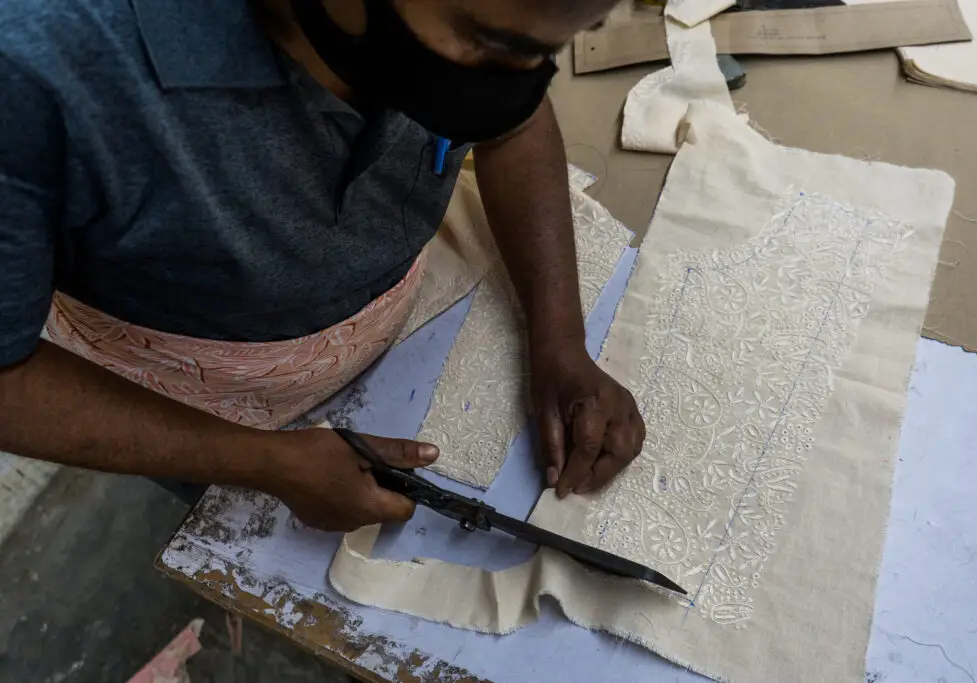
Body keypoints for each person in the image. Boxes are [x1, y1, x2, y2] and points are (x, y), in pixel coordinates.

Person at [0, 0, 645, 532]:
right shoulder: (32, 72)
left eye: (550, 50)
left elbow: (509, 117)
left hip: (397, 342)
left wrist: (559, 337)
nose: (520, 78)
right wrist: (266, 464)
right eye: (486, 43)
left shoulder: (459, 32)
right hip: (197, 408)